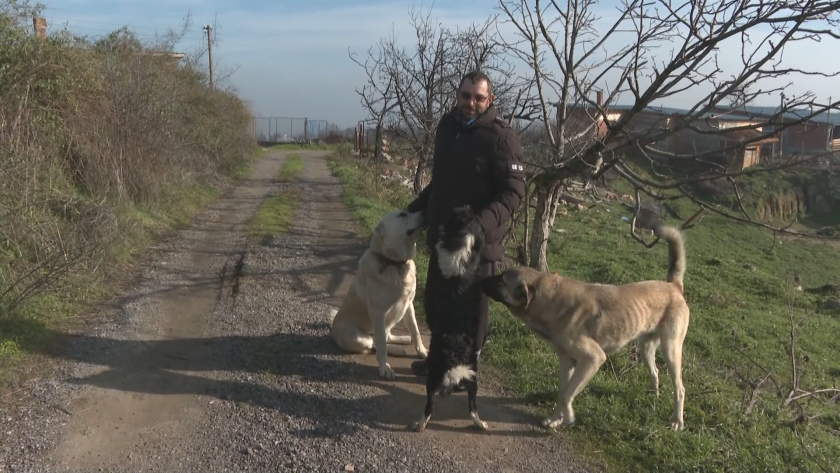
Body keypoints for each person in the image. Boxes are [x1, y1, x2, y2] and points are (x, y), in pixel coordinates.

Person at [406, 70, 527, 376]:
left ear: (490, 99)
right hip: (443, 237)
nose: (471, 102)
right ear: (457, 95)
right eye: (465, 95)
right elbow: (440, 183)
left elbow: (513, 193)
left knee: (471, 311)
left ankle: (465, 369)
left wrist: (478, 225)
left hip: (477, 245)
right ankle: (439, 360)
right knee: (436, 304)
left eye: (478, 97)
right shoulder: (447, 128)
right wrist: (413, 211)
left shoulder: (502, 138)